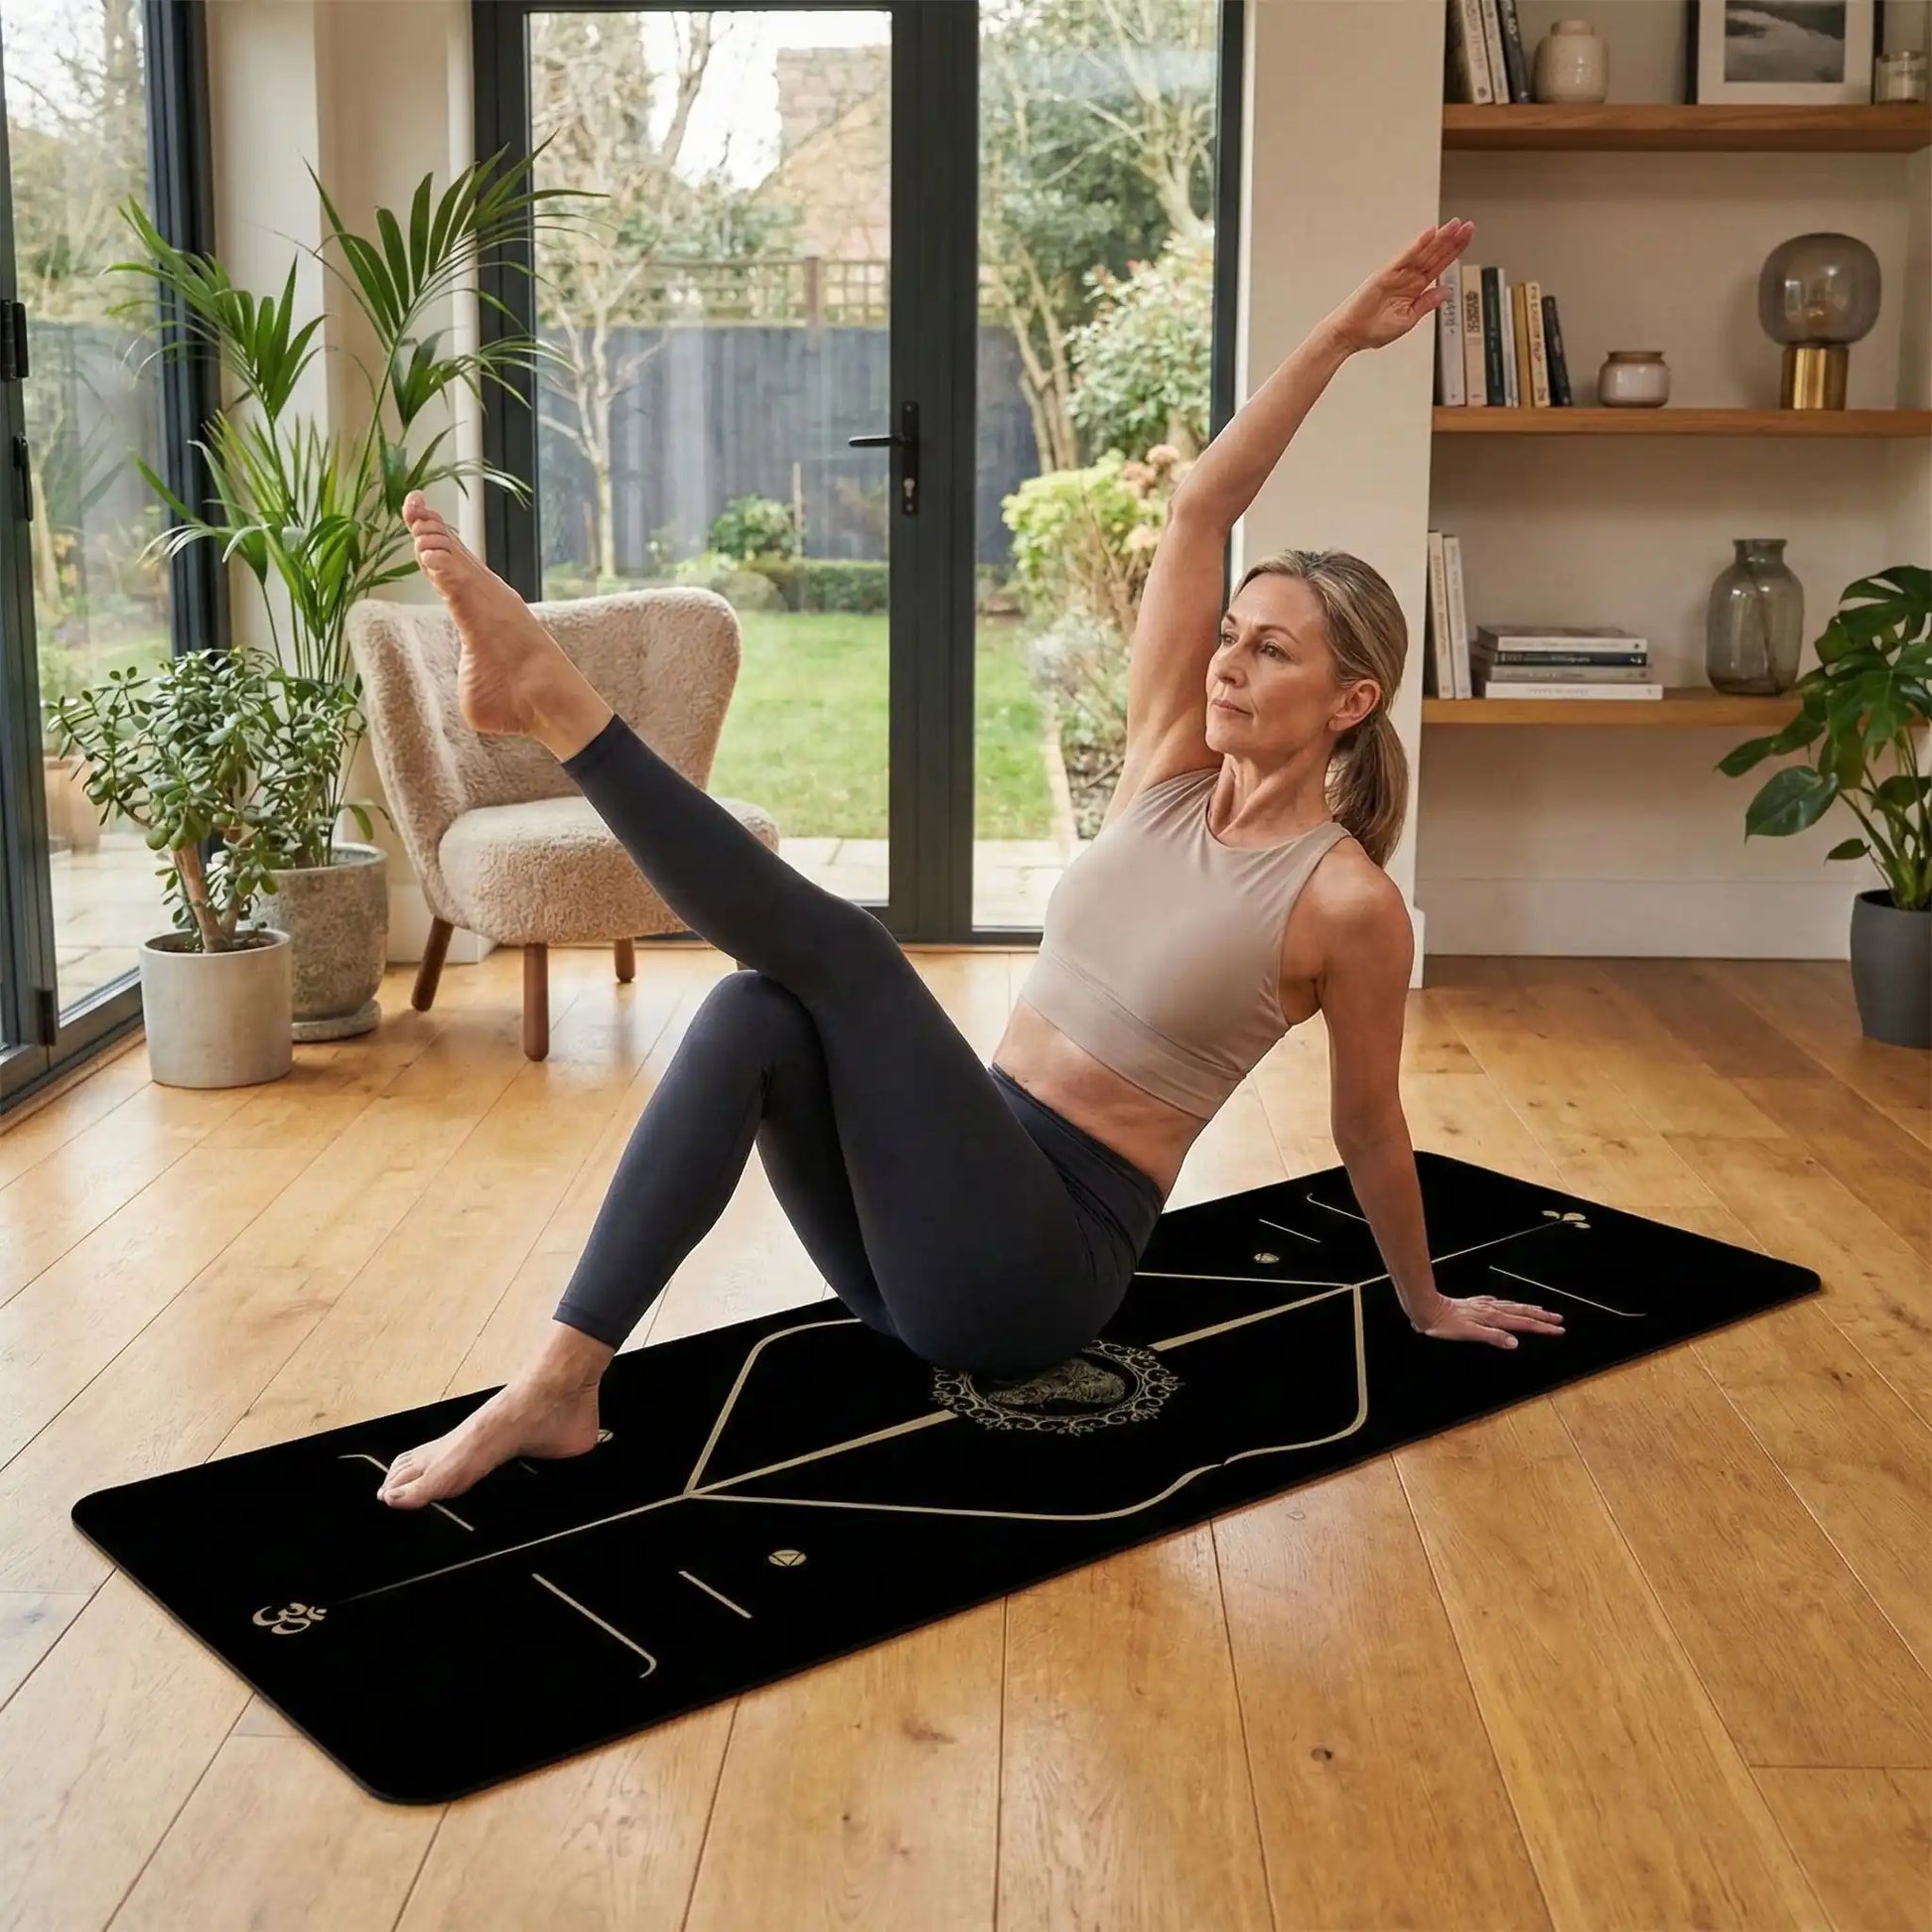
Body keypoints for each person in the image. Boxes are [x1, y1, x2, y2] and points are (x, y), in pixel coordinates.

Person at [377, 216, 1564, 1512]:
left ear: (1351, 700)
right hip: (923, 1238)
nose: (1227, 659)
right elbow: (1203, 500)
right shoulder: (1168, 760)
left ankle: (562, 710)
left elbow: (1368, 1124)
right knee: (753, 1008)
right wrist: (1339, 336)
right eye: (1229, 632)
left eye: (1271, 650)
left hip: (1036, 1273)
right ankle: (562, 1376)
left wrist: (1423, 1297)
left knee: (850, 956)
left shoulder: (1345, 900)